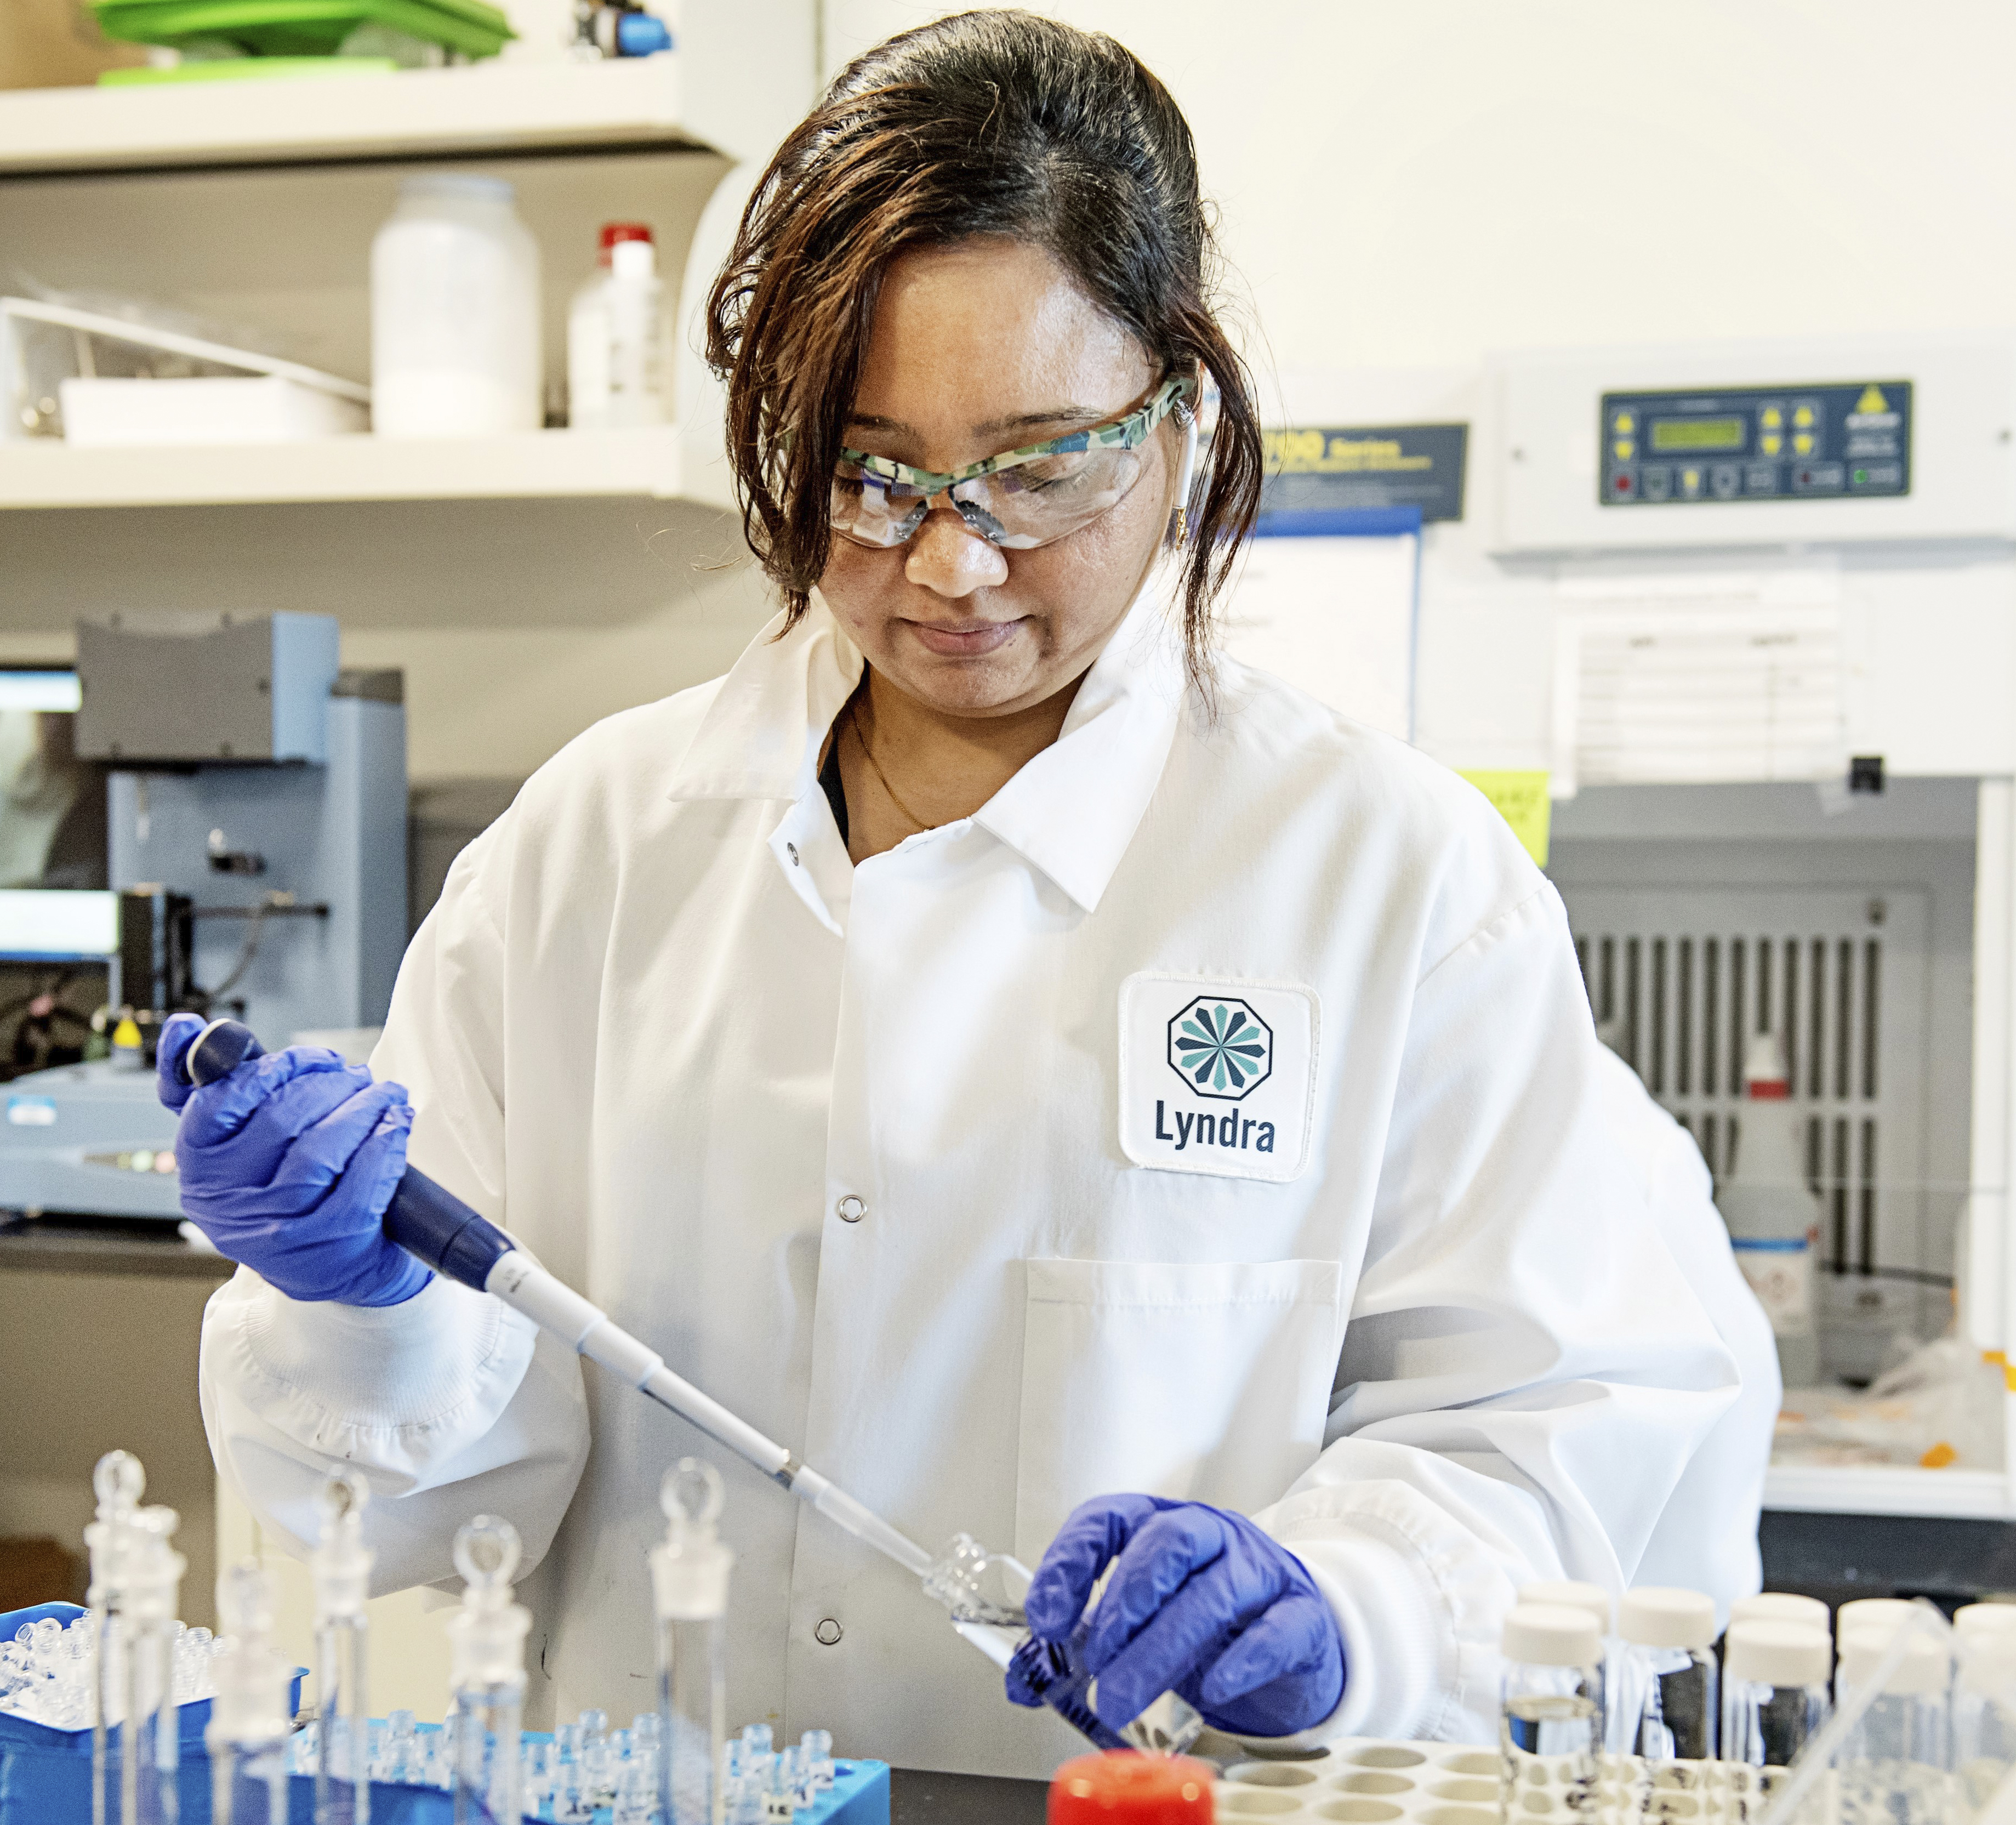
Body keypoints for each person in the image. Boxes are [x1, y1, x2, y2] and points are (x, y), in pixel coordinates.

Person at [173, 11, 1777, 1777]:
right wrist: (365, 1300)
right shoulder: (593, 851)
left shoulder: (1384, 876)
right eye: (873, 472)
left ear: (1177, 419)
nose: (950, 557)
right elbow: (409, 1515)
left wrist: (1348, 1606)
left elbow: (1560, 1417)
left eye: (1036, 466)